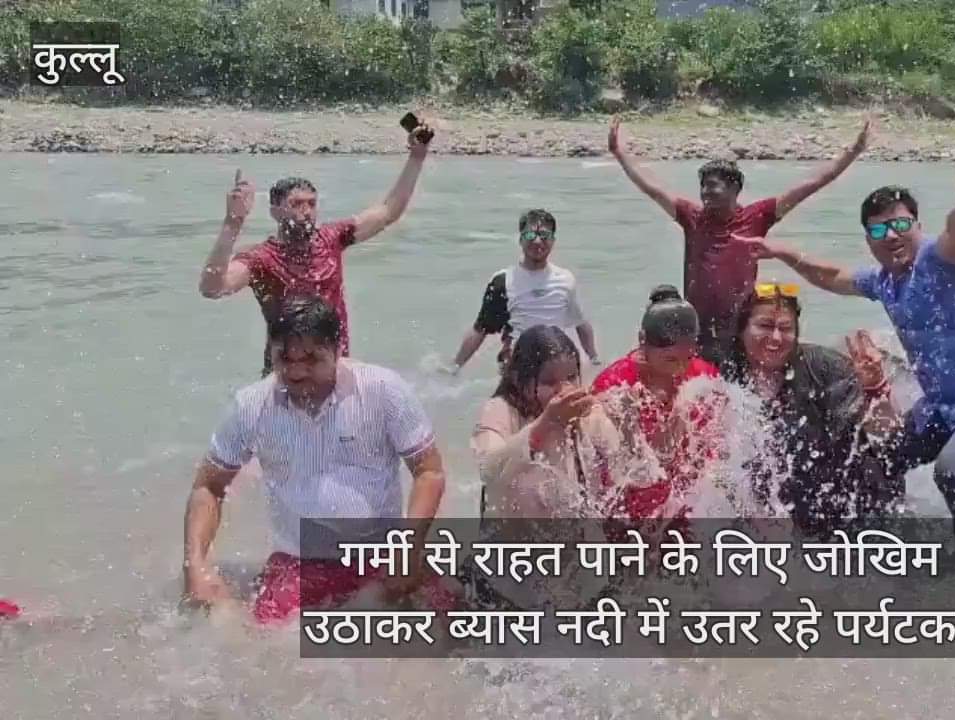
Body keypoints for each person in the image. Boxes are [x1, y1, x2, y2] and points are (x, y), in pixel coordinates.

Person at [735, 161, 955, 563]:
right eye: (879, 230)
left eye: (901, 225)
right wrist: (782, 252)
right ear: (869, 240)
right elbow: (833, 276)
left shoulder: (939, 260)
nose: (892, 236)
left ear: (918, 226)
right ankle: (883, 535)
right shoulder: (884, 281)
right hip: (943, 407)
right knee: (874, 458)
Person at [181, 295, 452, 625]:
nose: (295, 371)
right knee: (265, 647)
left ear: (338, 351)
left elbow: (429, 471)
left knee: (451, 623)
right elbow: (208, 486)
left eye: (311, 358)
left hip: (381, 555)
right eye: (285, 358)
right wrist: (196, 565)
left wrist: (410, 547)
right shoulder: (251, 406)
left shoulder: (383, 390)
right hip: (298, 561)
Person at [607, 116, 872, 365]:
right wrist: (620, 154)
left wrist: (854, 151)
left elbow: (811, 184)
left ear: (735, 189)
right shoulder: (692, 217)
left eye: (713, 186)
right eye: (703, 186)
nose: (706, 192)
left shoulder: (757, 217)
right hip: (697, 327)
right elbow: (652, 189)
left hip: (740, 328)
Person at [199, 116, 435, 374]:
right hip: (285, 377)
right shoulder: (262, 259)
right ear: (276, 211)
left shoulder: (332, 239)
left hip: (335, 370)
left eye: (311, 203)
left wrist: (417, 157)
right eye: (296, 204)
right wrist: (232, 223)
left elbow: (388, 211)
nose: (306, 211)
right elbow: (213, 288)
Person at [719, 282, 905, 536]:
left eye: (785, 328)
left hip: (848, 510)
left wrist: (875, 388)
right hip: (776, 515)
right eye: (764, 326)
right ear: (742, 330)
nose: (775, 337)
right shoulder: (724, 376)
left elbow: (888, 436)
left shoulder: (826, 369)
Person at [591, 285, 723, 522]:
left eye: (687, 358)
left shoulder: (704, 377)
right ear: (643, 341)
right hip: (626, 510)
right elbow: (618, 465)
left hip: (685, 502)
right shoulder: (614, 383)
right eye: (670, 359)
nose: (679, 370)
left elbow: (711, 454)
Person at [472, 325, 623, 519]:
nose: (564, 390)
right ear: (520, 381)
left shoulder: (584, 412)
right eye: (549, 382)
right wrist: (545, 424)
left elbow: (622, 463)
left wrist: (622, 419)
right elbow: (489, 470)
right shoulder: (500, 410)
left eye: (571, 377)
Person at [452, 209, 601, 373]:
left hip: (556, 362)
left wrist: (594, 359)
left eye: (544, 236)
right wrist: (456, 366)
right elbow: (480, 330)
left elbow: (581, 323)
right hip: (518, 363)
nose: (537, 241)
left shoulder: (566, 279)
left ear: (553, 241)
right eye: (530, 235)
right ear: (520, 239)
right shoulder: (503, 281)